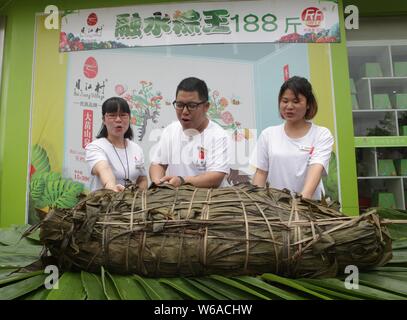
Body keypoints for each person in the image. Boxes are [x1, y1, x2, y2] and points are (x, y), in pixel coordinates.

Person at [250, 76, 334, 200]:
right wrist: (256, 204)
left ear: (309, 104)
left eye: (296, 101)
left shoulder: (321, 134)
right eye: (285, 101)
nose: (289, 106)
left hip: (308, 208)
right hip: (274, 209)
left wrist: (301, 205)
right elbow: (261, 173)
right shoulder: (268, 134)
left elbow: (315, 170)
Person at [150, 77, 230, 188]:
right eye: (179, 105)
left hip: (209, 202)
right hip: (176, 201)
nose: (185, 111)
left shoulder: (218, 136)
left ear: (206, 107)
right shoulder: (170, 131)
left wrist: (182, 181)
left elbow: (215, 176)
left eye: (192, 106)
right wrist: (159, 183)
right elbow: (157, 164)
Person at [85, 97, 148, 192]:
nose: (118, 119)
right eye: (112, 115)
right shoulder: (95, 147)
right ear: (104, 120)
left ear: (129, 118)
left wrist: (135, 195)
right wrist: (113, 188)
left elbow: (142, 179)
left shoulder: (136, 148)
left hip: (131, 204)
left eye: (123, 115)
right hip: (104, 203)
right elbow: (104, 169)